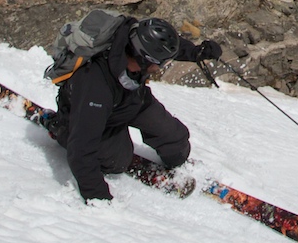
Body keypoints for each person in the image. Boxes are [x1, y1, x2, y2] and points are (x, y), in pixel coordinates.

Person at [46, 16, 222, 203]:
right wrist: (99, 198)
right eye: (159, 63)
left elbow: (161, 45)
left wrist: (195, 52)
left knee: (176, 139)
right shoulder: (95, 84)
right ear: (142, 59)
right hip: (93, 113)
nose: (160, 68)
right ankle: (62, 128)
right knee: (117, 161)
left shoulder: (134, 38)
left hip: (131, 98)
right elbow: (81, 150)